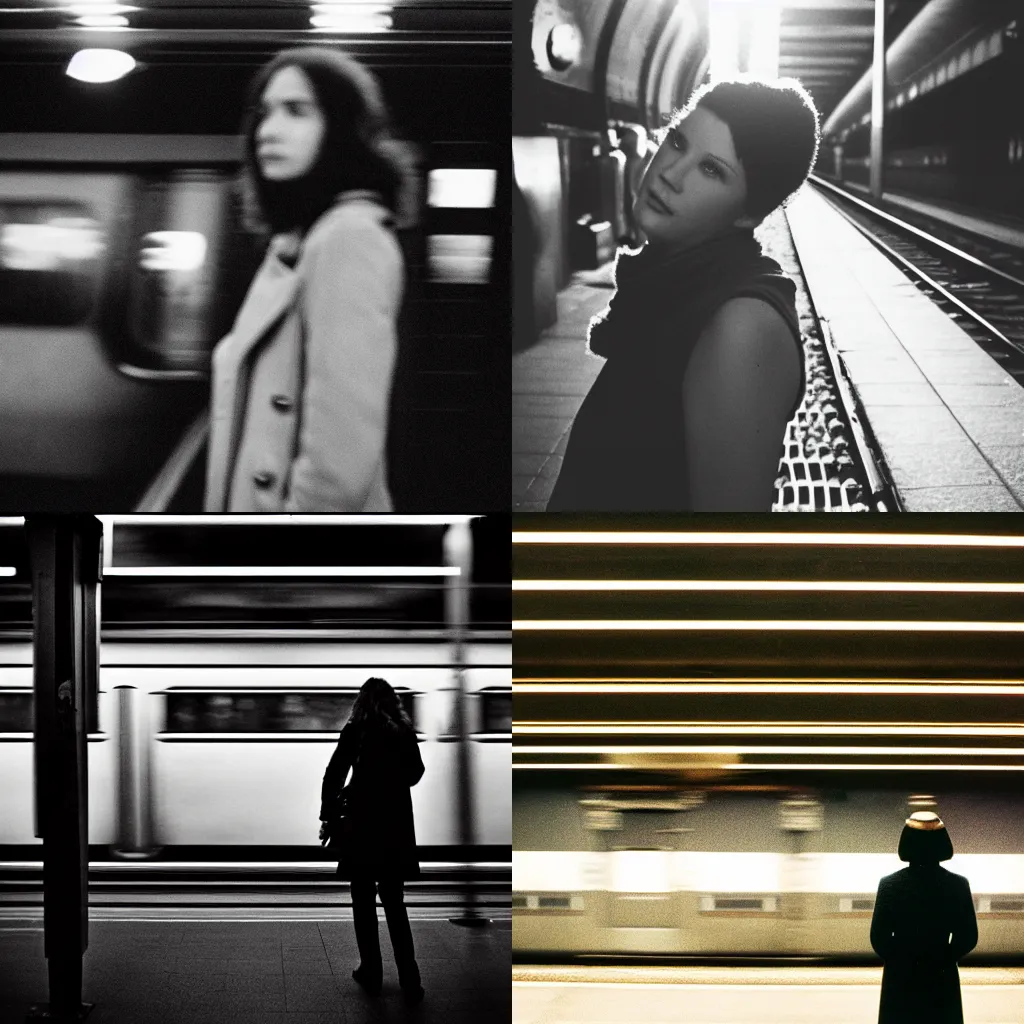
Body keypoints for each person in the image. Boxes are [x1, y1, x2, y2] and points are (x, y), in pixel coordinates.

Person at [546, 76, 820, 511]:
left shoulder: (740, 324)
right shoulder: (670, 287)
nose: (670, 174)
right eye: (676, 142)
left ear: (749, 213)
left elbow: (723, 559)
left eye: (712, 169)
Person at [205, 46, 410, 512]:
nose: (267, 131)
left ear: (339, 128)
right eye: (264, 114)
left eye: (296, 111)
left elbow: (339, 462)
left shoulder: (349, 236)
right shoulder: (302, 239)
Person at [319, 677, 425, 1004]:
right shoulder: (403, 733)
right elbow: (415, 774)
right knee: (394, 903)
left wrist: (328, 814)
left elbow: (334, 772)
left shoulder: (356, 731)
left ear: (361, 702)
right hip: (394, 828)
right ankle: (410, 978)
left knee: (363, 902)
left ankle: (371, 970)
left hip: (363, 828)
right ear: (393, 702)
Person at [870, 811, 978, 1024]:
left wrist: (903, 961)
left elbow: (878, 938)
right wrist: (942, 959)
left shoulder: (889, 885)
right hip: (942, 977)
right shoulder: (958, 885)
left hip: (899, 980)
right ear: (943, 845)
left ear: (906, 844)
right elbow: (968, 937)